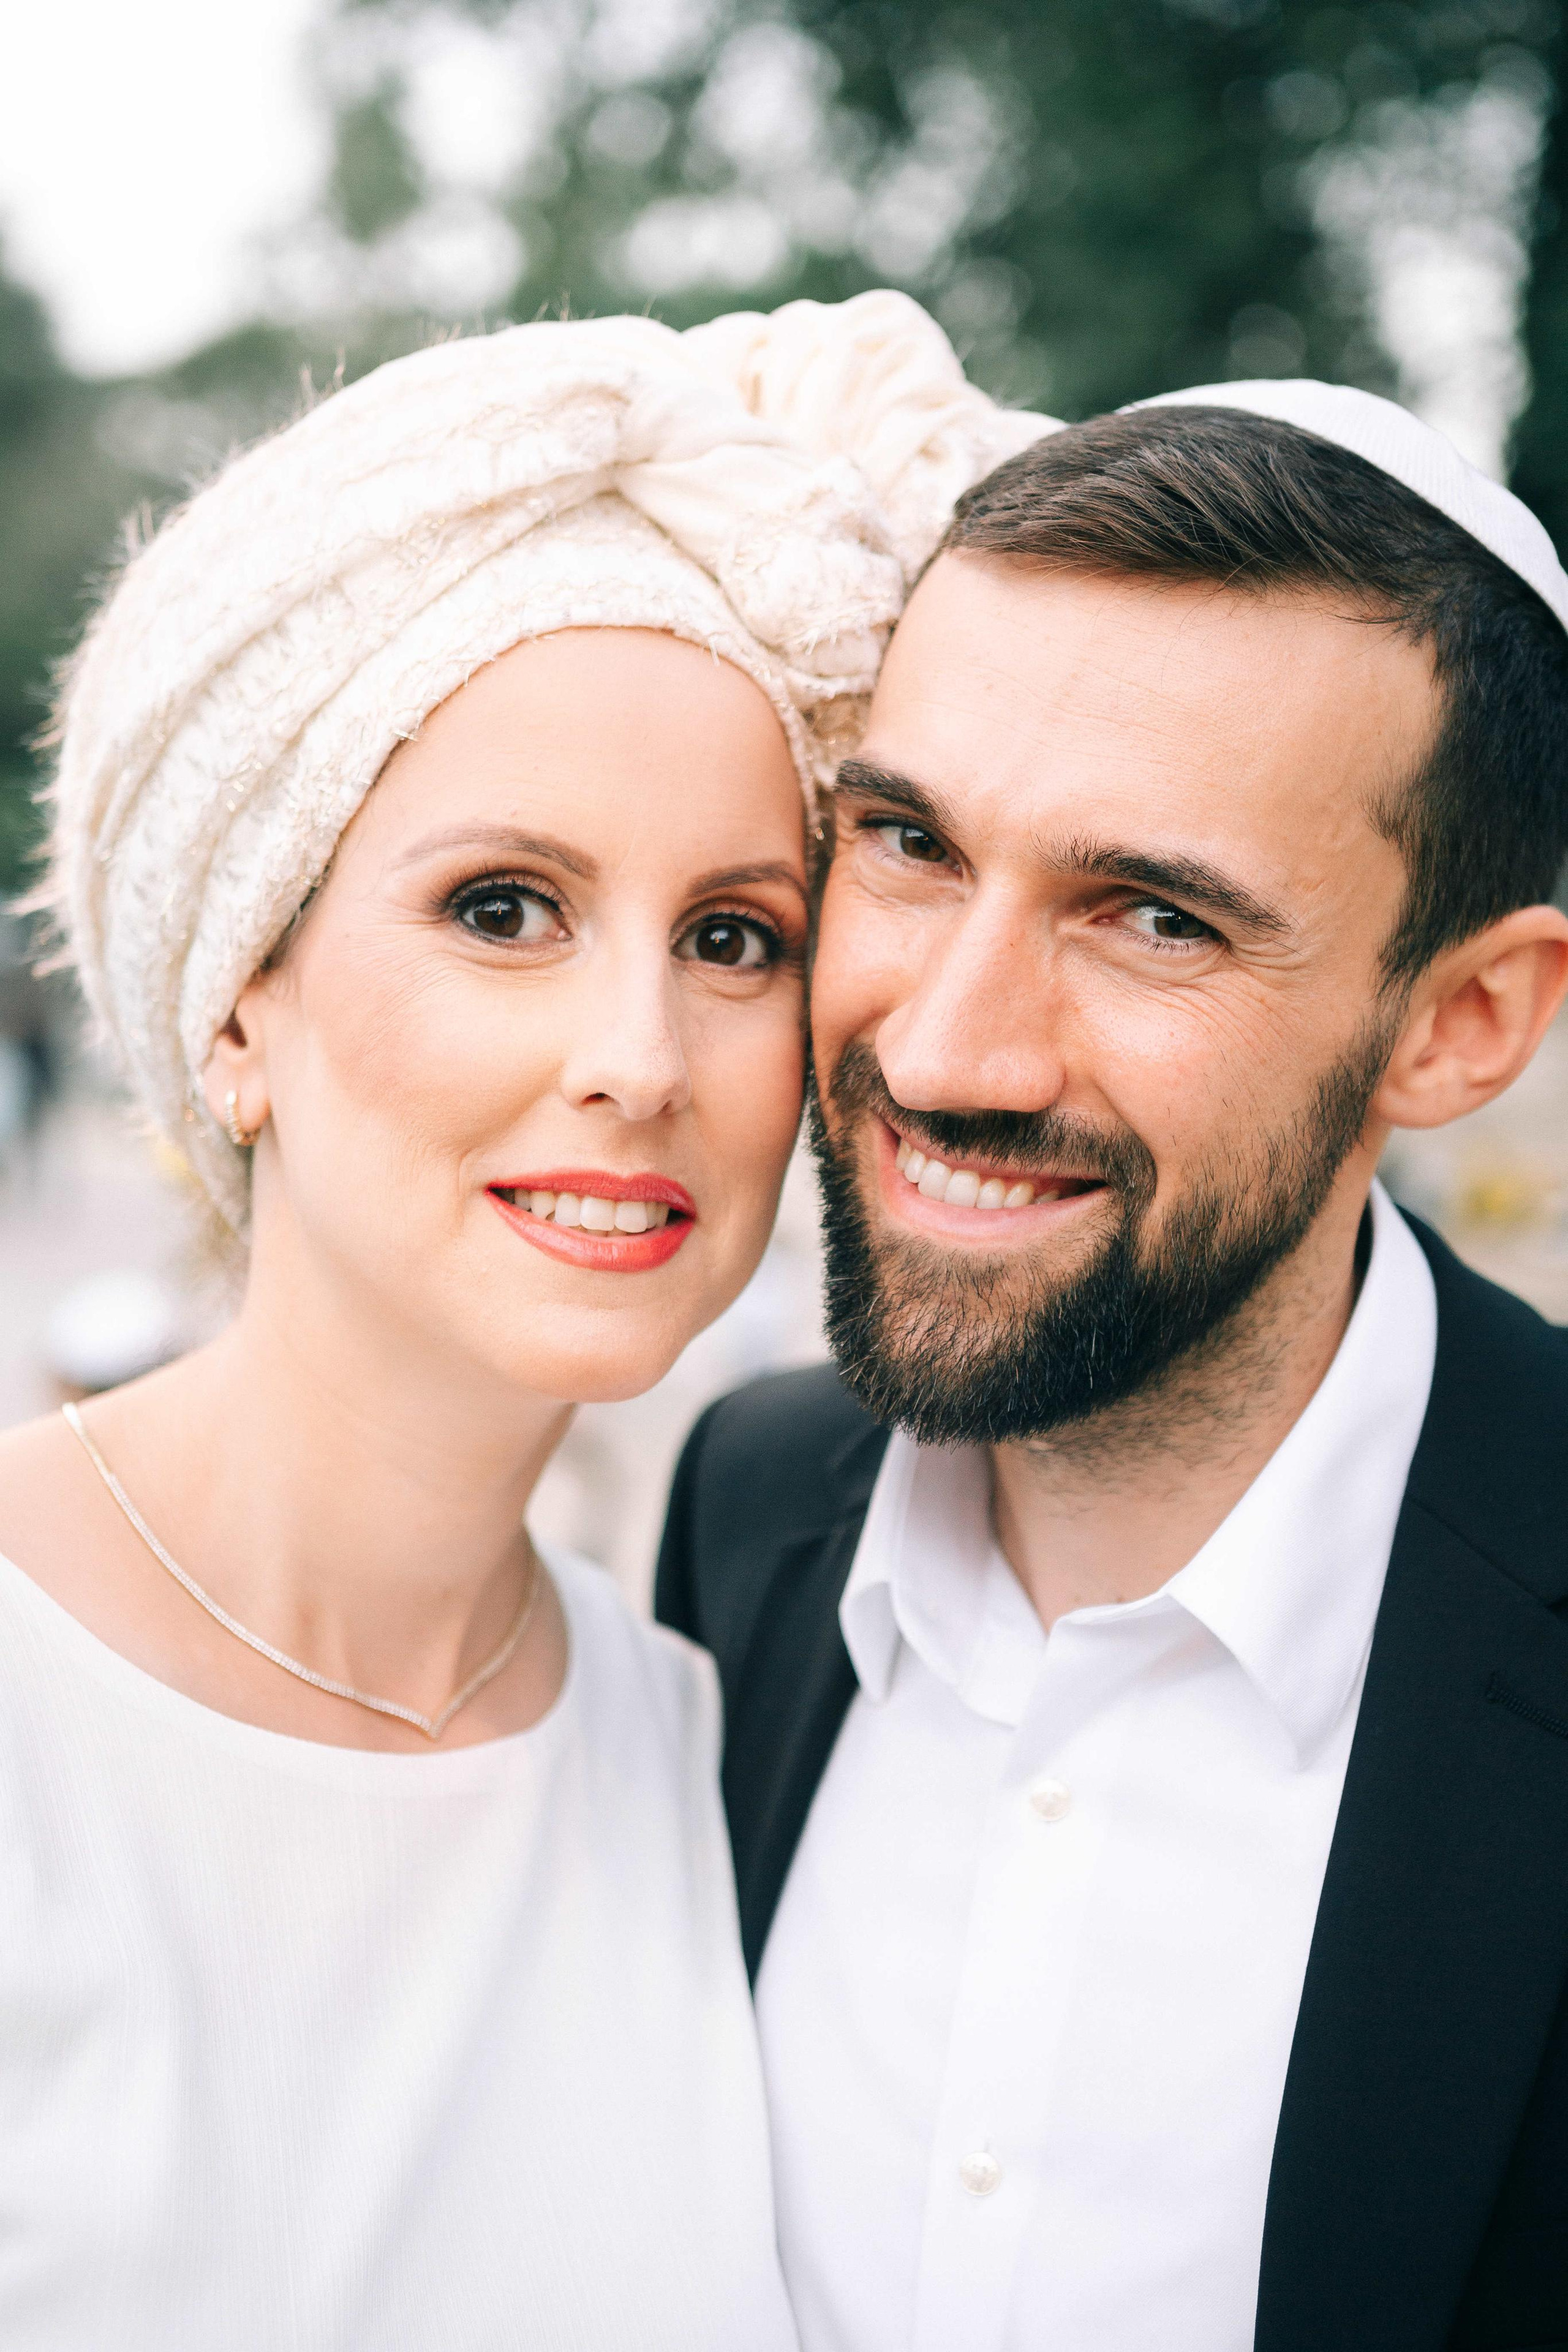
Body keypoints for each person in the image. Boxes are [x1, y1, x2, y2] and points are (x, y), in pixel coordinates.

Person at [0, 293, 1038, 2351]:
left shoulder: (691, 1740)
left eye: (738, 938)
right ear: (239, 1006)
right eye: (503, 909)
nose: (641, 1055)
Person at [657, 380, 1568, 2352]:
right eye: (908, 843)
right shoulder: (735, 1515)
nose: (952, 1053)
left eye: (1152, 915)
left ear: (1466, 1020)